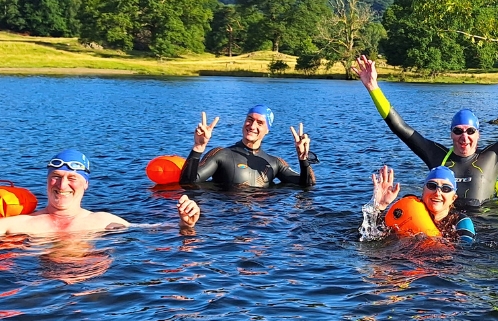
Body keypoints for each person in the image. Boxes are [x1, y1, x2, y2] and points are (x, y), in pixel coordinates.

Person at [353, 54, 498, 208]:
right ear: (451, 134)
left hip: (485, 228)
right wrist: (373, 88)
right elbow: (400, 128)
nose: (464, 137)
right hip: (447, 226)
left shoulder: (493, 156)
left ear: (478, 134)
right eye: (458, 131)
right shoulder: (437, 156)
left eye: (470, 131)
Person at [1, 149, 200, 236]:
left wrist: (185, 224)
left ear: (85, 184)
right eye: (56, 176)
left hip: (90, 298)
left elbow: (153, 229)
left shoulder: (103, 221)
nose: (62, 186)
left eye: (72, 179)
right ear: (47, 180)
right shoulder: (16, 224)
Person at [179, 106, 315, 189]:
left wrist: (304, 160)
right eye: (249, 119)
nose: (252, 126)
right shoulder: (222, 154)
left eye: (260, 123)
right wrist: (198, 146)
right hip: (226, 224)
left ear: (267, 130)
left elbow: (307, 186)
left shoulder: (274, 163)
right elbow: (188, 184)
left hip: (262, 230)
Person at [364, 165, 475, 244]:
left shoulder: (460, 222)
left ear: (453, 198)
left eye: (446, 188)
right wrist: (380, 207)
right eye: (432, 186)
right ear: (423, 191)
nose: (437, 192)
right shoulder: (407, 211)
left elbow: (464, 253)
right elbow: (368, 238)